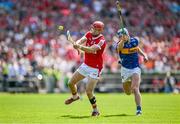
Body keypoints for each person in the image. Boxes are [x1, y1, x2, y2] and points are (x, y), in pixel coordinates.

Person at [64, 21, 106, 116]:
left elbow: (91, 49)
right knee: (70, 83)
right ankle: (75, 97)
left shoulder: (102, 40)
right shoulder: (89, 34)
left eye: (94, 28)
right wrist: (76, 45)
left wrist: (79, 47)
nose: (92, 29)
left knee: (88, 91)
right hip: (86, 65)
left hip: (95, 68)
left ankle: (96, 110)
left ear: (99, 30)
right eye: (92, 27)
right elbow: (81, 40)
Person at [116, 28, 148, 115]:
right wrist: (122, 40)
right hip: (125, 69)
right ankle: (129, 83)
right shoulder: (119, 44)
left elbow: (137, 49)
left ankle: (139, 110)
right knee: (127, 92)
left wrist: (144, 55)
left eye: (122, 36)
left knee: (135, 88)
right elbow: (119, 48)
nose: (120, 38)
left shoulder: (135, 41)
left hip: (135, 68)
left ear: (127, 34)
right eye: (119, 37)